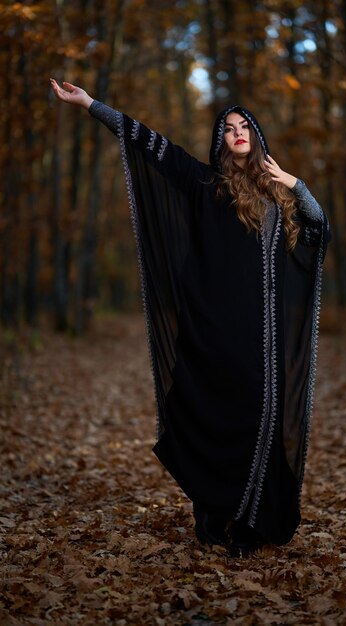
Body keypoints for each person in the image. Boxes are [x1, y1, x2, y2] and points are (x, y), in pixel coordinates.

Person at [50, 78, 331, 557]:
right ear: (220, 140)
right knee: (218, 418)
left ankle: (250, 524)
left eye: (244, 126)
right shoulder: (205, 184)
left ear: (257, 136)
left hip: (265, 338)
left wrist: (295, 186)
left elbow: (318, 233)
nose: (237, 132)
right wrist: (91, 105)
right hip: (216, 330)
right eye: (228, 127)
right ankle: (216, 512)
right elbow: (149, 143)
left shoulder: (279, 197)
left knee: (263, 417)